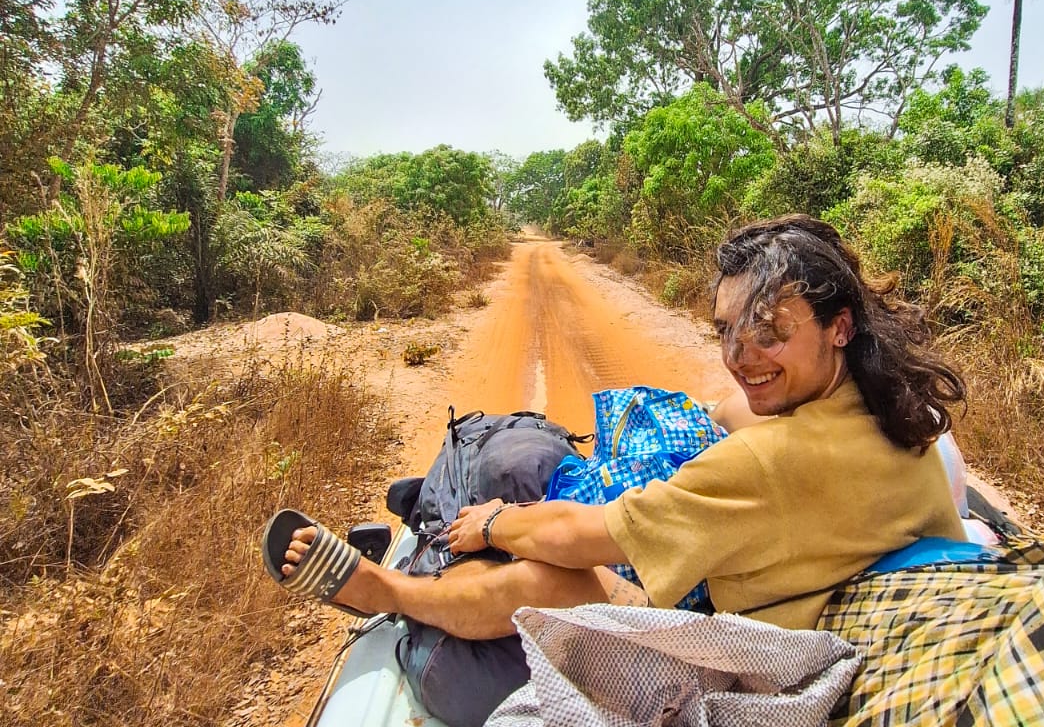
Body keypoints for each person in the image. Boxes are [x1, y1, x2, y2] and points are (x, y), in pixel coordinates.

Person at [277, 215, 968, 635]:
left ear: (838, 325)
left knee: (554, 577)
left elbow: (587, 536)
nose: (740, 359)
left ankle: (390, 593)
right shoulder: (905, 415)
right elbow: (729, 413)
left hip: (753, 661)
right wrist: (720, 419)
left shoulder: (769, 465)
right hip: (827, 611)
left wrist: (492, 524)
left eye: (770, 334)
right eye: (727, 333)